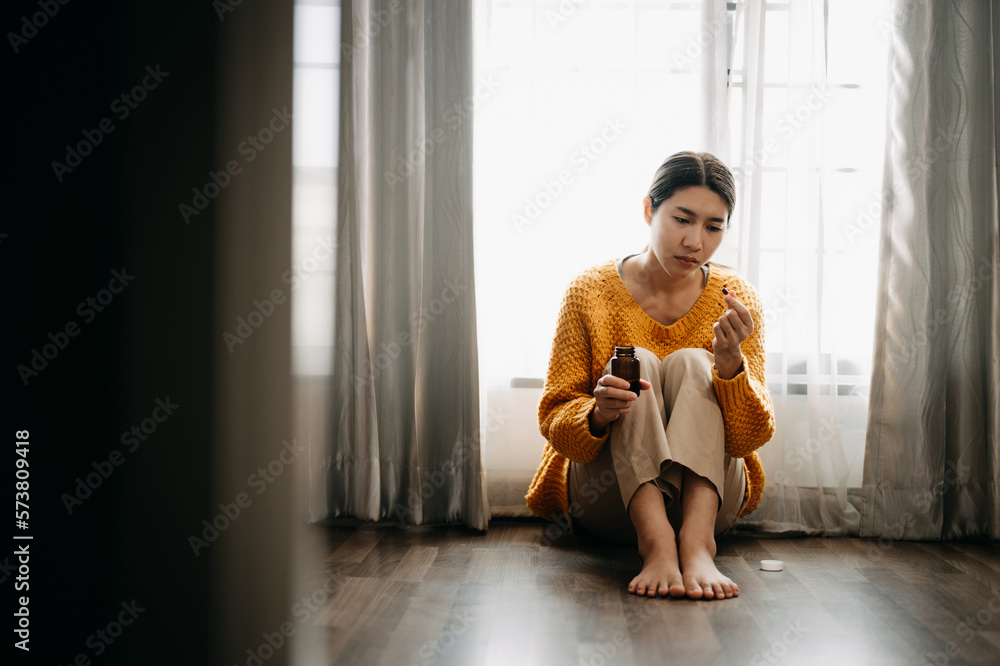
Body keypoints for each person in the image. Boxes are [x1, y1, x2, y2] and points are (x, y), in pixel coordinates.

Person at [525, 151, 774, 600]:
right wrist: (598, 414)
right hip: (611, 500)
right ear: (648, 210)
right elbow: (556, 423)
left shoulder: (735, 302)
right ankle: (657, 545)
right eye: (682, 219)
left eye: (713, 227)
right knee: (635, 359)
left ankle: (698, 547)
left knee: (694, 363)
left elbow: (748, 440)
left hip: (707, 504)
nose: (695, 241)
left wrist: (730, 367)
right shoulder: (589, 293)